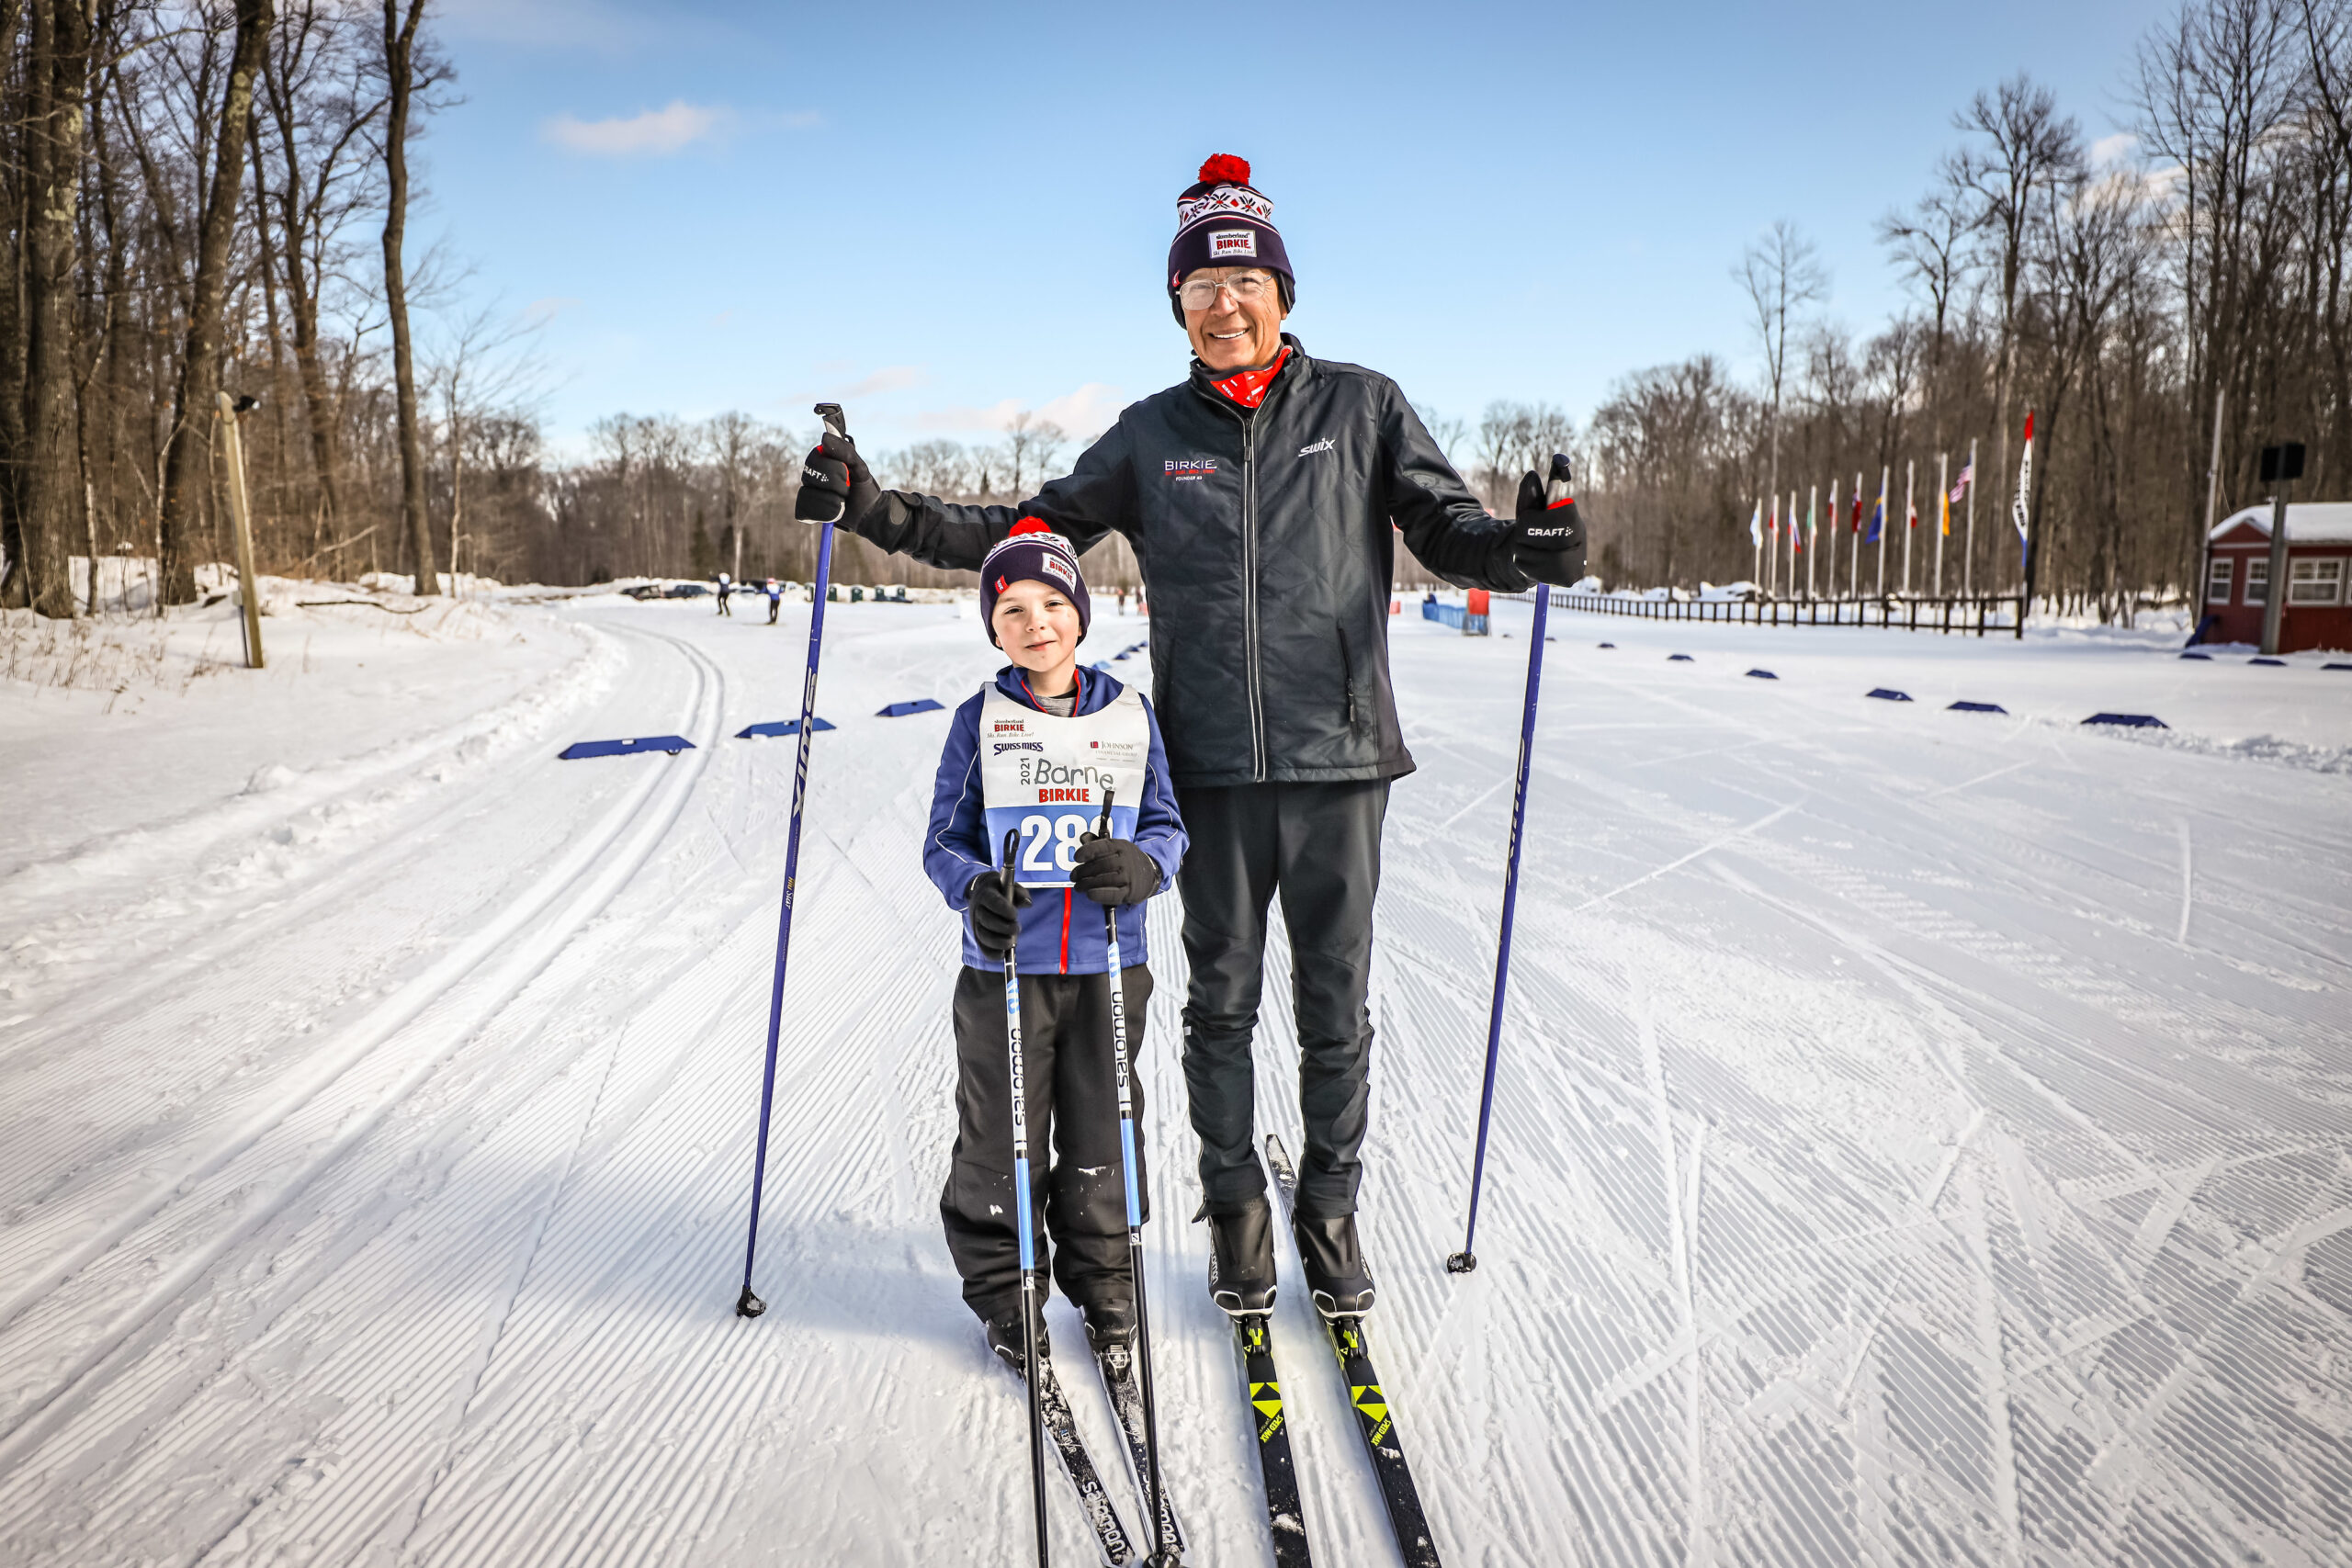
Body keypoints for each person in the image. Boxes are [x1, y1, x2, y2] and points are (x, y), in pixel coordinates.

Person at [798, 153, 1585, 1322]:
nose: (1225, 305)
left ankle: (1327, 1206)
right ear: (1178, 305)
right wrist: (881, 511)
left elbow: (1445, 525)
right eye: (1200, 289)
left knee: (1335, 999)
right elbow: (1026, 529)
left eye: (1245, 282)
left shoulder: (1360, 407)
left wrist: (1523, 554)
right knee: (1218, 1003)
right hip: (1206, 768)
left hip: (1339, 758)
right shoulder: (1150, 434)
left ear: (1282, 293)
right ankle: (1236, 1216)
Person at [923, 519, 1187, 1371]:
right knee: (1001, 1137)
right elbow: (944, 840)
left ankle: (1106, 1281)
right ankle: (1007, 1292)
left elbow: (1167, 825)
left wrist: (1144, 866)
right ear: (993, 628)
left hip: (1109, 964)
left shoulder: (1129, 715)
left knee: (1105, 1131)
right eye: (1011, 610)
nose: (1034, 622)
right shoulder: (981, 719)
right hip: (1004, 971)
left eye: (1050, 603)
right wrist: (973, 890)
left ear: (1078, 611)